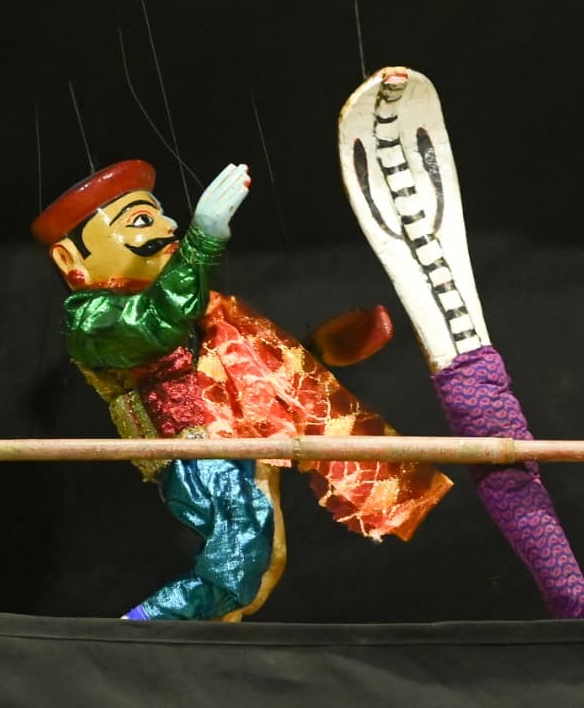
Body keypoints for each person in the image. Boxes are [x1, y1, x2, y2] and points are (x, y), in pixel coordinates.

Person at [32, 160, 451, 621]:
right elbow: (156, 325)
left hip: (238, 438)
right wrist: (202, 240)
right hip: (196, 450)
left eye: (162, 213)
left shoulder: (196, 304)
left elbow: (236, 367)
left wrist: (311, 354)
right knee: (238, 566)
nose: (168, 226)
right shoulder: (93, 317)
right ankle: (137, 634)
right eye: (141, 220)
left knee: (264, 567)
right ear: (70, 260)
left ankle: (193, 648)